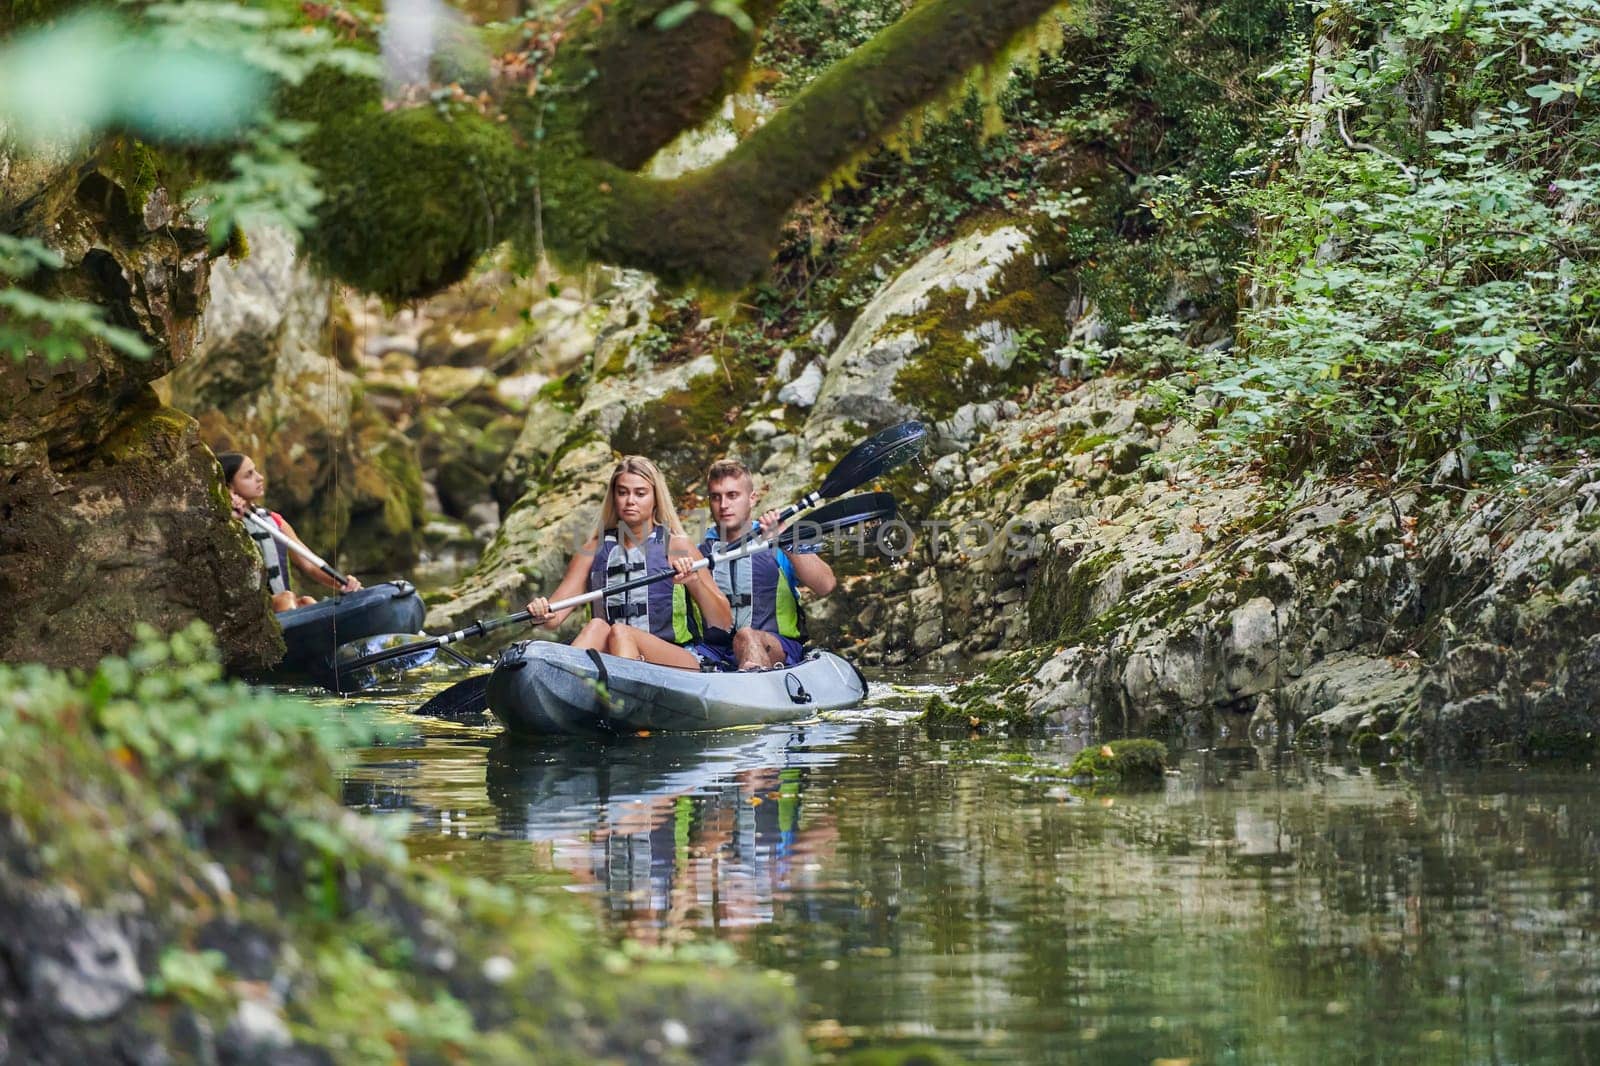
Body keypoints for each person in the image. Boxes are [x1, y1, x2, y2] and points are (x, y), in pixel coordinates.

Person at [524, 455, 732, 669]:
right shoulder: (592, 550)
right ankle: (562, 683)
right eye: (622, 492)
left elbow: (723, 621)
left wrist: (693, 582)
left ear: (655, 499)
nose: (630, 500)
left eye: (640, 493)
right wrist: (541, 612)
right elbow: (554, 618)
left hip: (677, 659)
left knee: (621, 632)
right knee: (597, 626)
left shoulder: (677, 546)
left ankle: (609, 688)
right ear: (614, 497)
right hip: (616, 657)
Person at [693, 457, 836, 671]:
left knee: (746, 636)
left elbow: (826, 585)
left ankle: (753, 687)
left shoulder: (778, 541)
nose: (723, 505)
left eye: (732, 495)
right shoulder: (699, 553)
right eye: (716, 497)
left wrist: (786, 538)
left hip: (772, 643)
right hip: (715, 651)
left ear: (752, 498)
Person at [218, 451, 361, 612]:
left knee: (307, 601)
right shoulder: (222, 522)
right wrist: (231, 516)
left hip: (283, 603)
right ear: (230, 486)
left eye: (256, 471)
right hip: (252, 608)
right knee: (286, 600)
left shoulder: (274, 520)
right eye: (248, 475)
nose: (260, 477)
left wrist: (342, 583)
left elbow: (310, 565)